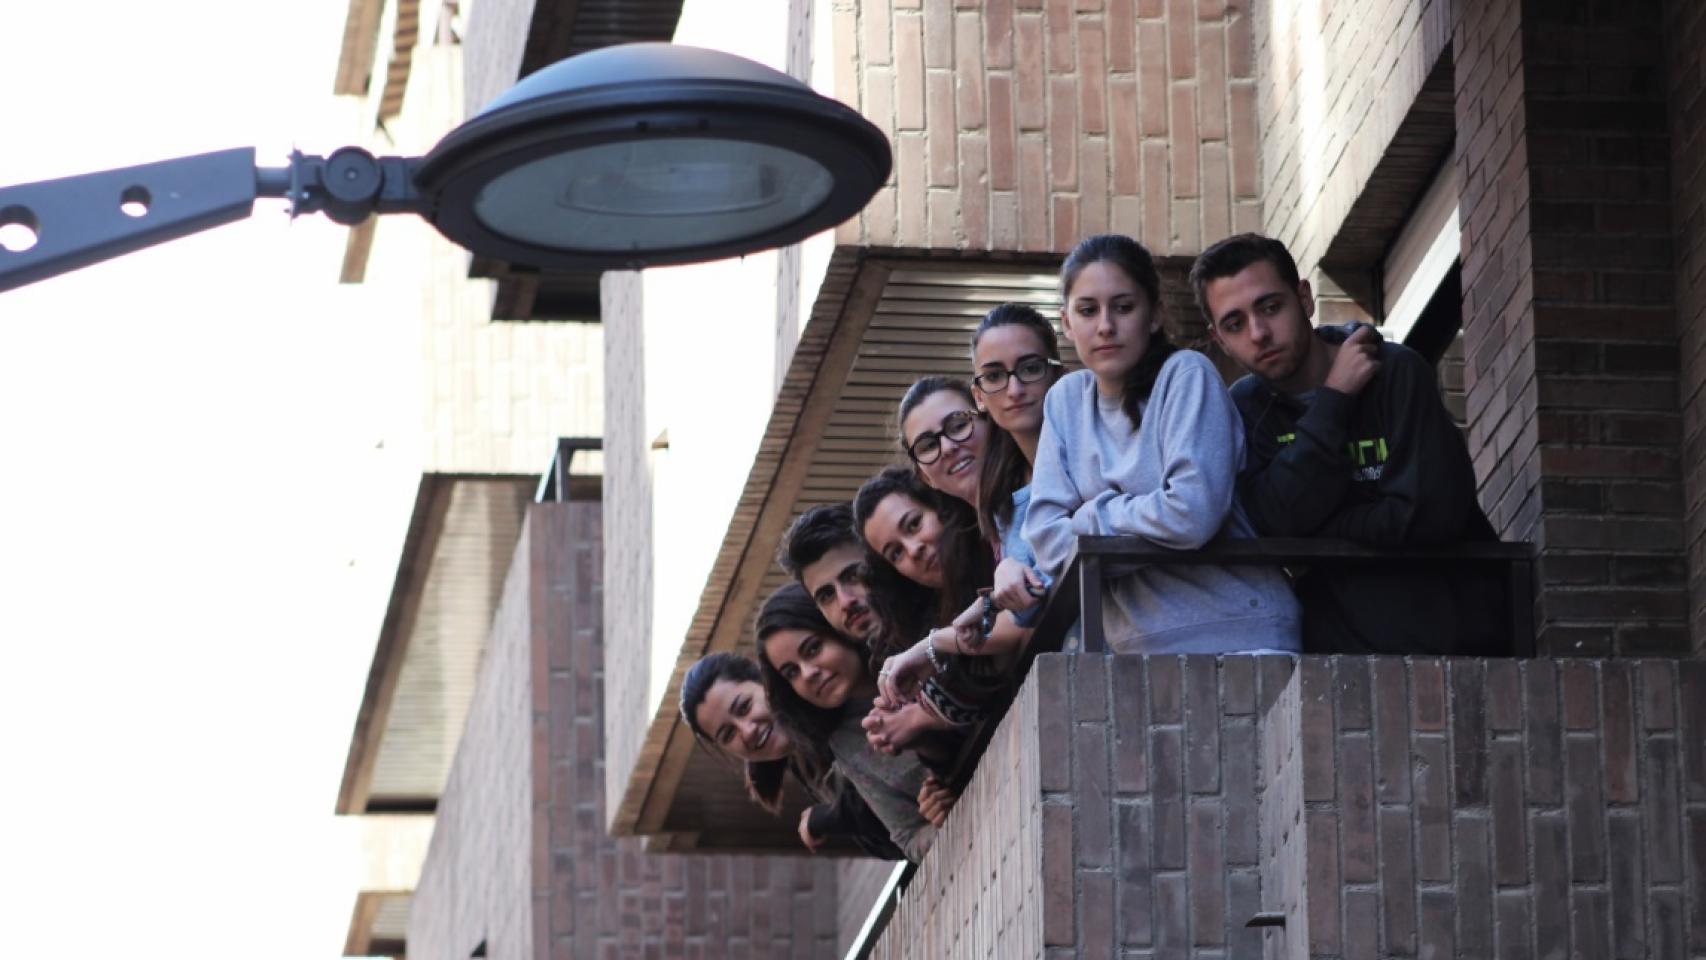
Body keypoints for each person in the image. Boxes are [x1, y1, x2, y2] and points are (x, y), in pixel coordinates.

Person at [1190, 232, 1508, 655]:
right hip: (1342, 658)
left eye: (1270, 307)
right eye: (1235, 324)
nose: (1259, 333)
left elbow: (1429, 515)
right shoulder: (1243, 411)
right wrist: (1334, 401)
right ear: (1219, 340)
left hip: (1464, 644)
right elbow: (1274, 527)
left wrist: (1318, 532)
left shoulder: (1394, 371)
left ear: (1304, 298)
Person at [1022, 233, 1301, 653]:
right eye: (1088, 310)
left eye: (1123, 307)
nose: (1105, 326)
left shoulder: (1186, 374)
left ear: (1154, 315)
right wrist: (1141, 525)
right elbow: (1047, 542)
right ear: (1066, 322)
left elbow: (1192, 512)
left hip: (1243, 633)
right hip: (1136, 651)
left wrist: (1092, 518)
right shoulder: (1065, 401)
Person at [754, 583, 954, 861]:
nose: (808, 673)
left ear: (839, 629)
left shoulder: (917, 647)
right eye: (791, 672)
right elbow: (909, 837)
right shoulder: (843, 742)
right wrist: (942, 820)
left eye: (813, 649)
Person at [680, 652, 904, 859]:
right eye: (728, 734)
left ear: (766, 681)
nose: (747, 731)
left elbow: (896, 795)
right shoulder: (801, 762)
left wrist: (829, 817)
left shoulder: (844, 707)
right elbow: (891, 842)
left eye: (744, 707)